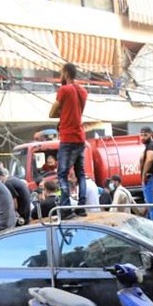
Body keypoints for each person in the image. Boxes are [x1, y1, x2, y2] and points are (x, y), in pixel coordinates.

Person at [50, 62, 88, 216]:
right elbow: (77, 111)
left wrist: (62, 112)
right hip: (80, 137)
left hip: (67, 137)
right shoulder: (83, 91)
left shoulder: (64, 90)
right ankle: (82, 206)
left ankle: (66, 208)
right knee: (81, 174)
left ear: (65, 73)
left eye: (61, 73)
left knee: (62, 174)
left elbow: (52, 113)